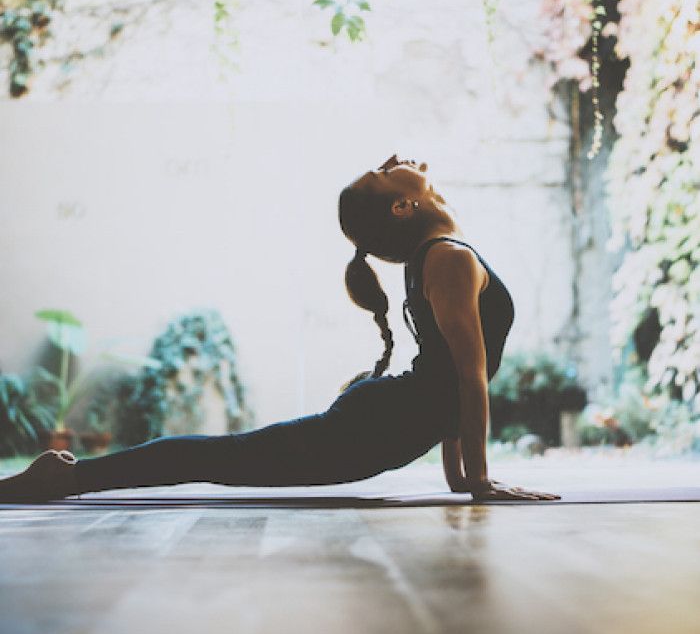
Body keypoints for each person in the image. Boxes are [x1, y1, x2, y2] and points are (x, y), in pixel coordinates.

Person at [0, 155, 560, 503]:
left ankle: (67, 477)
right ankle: (64, 478)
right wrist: (477, 480)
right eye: (386, 172)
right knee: (218, 458)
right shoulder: (447, 258)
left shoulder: (438, 255)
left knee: (223, 458)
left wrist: (462, 479)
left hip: (385, 422)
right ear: (402, 206)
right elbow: (467, 377)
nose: (394, 160)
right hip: (376, 427)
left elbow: (450, 380)